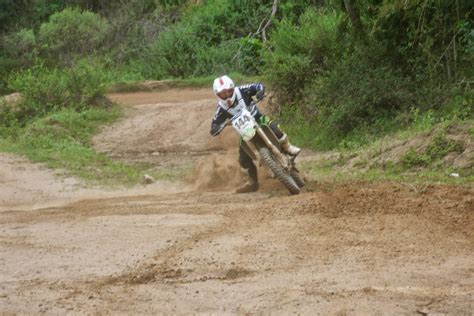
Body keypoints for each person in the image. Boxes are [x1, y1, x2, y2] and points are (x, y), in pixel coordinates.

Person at [210, 75, 301, 193]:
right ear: (217, 95)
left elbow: (258, 86)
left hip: (258, 119)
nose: (227, 95)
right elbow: (213, 126)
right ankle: (252, 181)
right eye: (223, 94)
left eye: (228, 91)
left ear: (233, 88)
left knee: (274, 128)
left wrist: (260, 92)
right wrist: (217, 127)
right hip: (245, 131)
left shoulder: (242, 90)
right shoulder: (220, 108)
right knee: (243, 159)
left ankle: (288, 147)